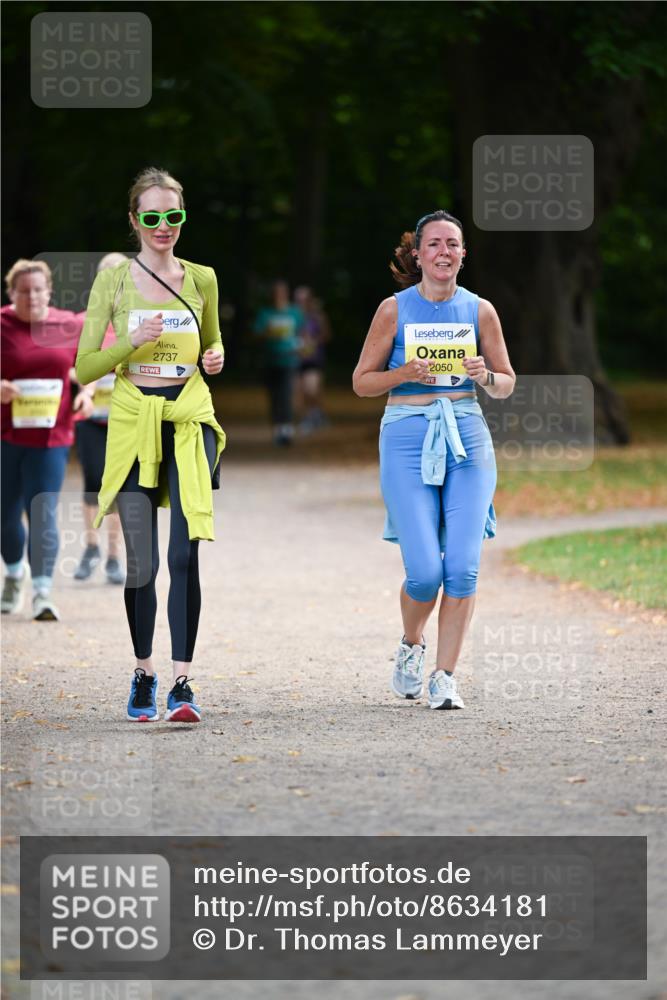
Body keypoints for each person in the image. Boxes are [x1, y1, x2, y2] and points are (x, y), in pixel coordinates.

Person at [75, 167, 226, 724]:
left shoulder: (202, 278)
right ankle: (144, 673)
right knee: (142, 565)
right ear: (136, 221)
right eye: (154, 217)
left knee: (184, 556)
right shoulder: (112, 283)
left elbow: (212, 345)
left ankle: (183, 683)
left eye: (175, 216)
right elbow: (84, 366)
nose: (165, 226)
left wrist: (215, 358)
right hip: (135, 420)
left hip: (189, 420)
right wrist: (128, 344)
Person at [352, 210, 515, 710]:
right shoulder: (394, 309)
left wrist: (485, 375)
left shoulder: (480, 311)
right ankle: (411, 645)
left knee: (463, 569)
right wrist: (403, 372)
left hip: (467, 436)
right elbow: (361, 382)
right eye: (435, 244)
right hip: (405, 436)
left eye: (453, 244)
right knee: (424, 573)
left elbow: (507, 382)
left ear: (463, 255)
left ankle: (445, 676)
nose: (444, 252)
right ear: (418, 254)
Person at [1, 259, 93, 621]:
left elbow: (83, 364)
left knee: (42, 510)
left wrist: (85, 391)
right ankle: (13, 573)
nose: (32, 297)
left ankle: (42, 591)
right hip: (5, 434)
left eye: (39, 290)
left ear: (49, 292)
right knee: (5, 515)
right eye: (24, 291)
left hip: (52, 436)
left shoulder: (65, 325)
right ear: (12, 293)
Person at [73, 252, 128, 585]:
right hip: (91, 417)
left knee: (119, 486)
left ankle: (112, 556)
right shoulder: (82, 322)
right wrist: (86, 383)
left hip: (126, 418)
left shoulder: (136, 321)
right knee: (93, 480)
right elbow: (65, 365)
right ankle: (91, 548)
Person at [254, 280, 304, 445]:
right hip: (271, 359)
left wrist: (301, 346)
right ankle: (277, 428)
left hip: (289, 359)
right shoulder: (265, 313)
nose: (279, 296)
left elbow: (303, 333)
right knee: (274, 395)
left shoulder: (295, 313)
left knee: (287, 394)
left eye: (281, 292)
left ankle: (287, 429)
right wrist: (267, 333)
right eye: (276, 292)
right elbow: (256, 334)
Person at [294, 285, 330, 433]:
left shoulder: (318, 317)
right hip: (296, 359)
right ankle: (311, 417)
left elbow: (327, 335)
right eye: (298, 300)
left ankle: (316, 414)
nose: (301, 303)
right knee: (300, 392)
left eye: (304, 300)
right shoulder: (292, 316)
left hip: (314, 360)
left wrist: (314, 341)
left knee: (312, 389)